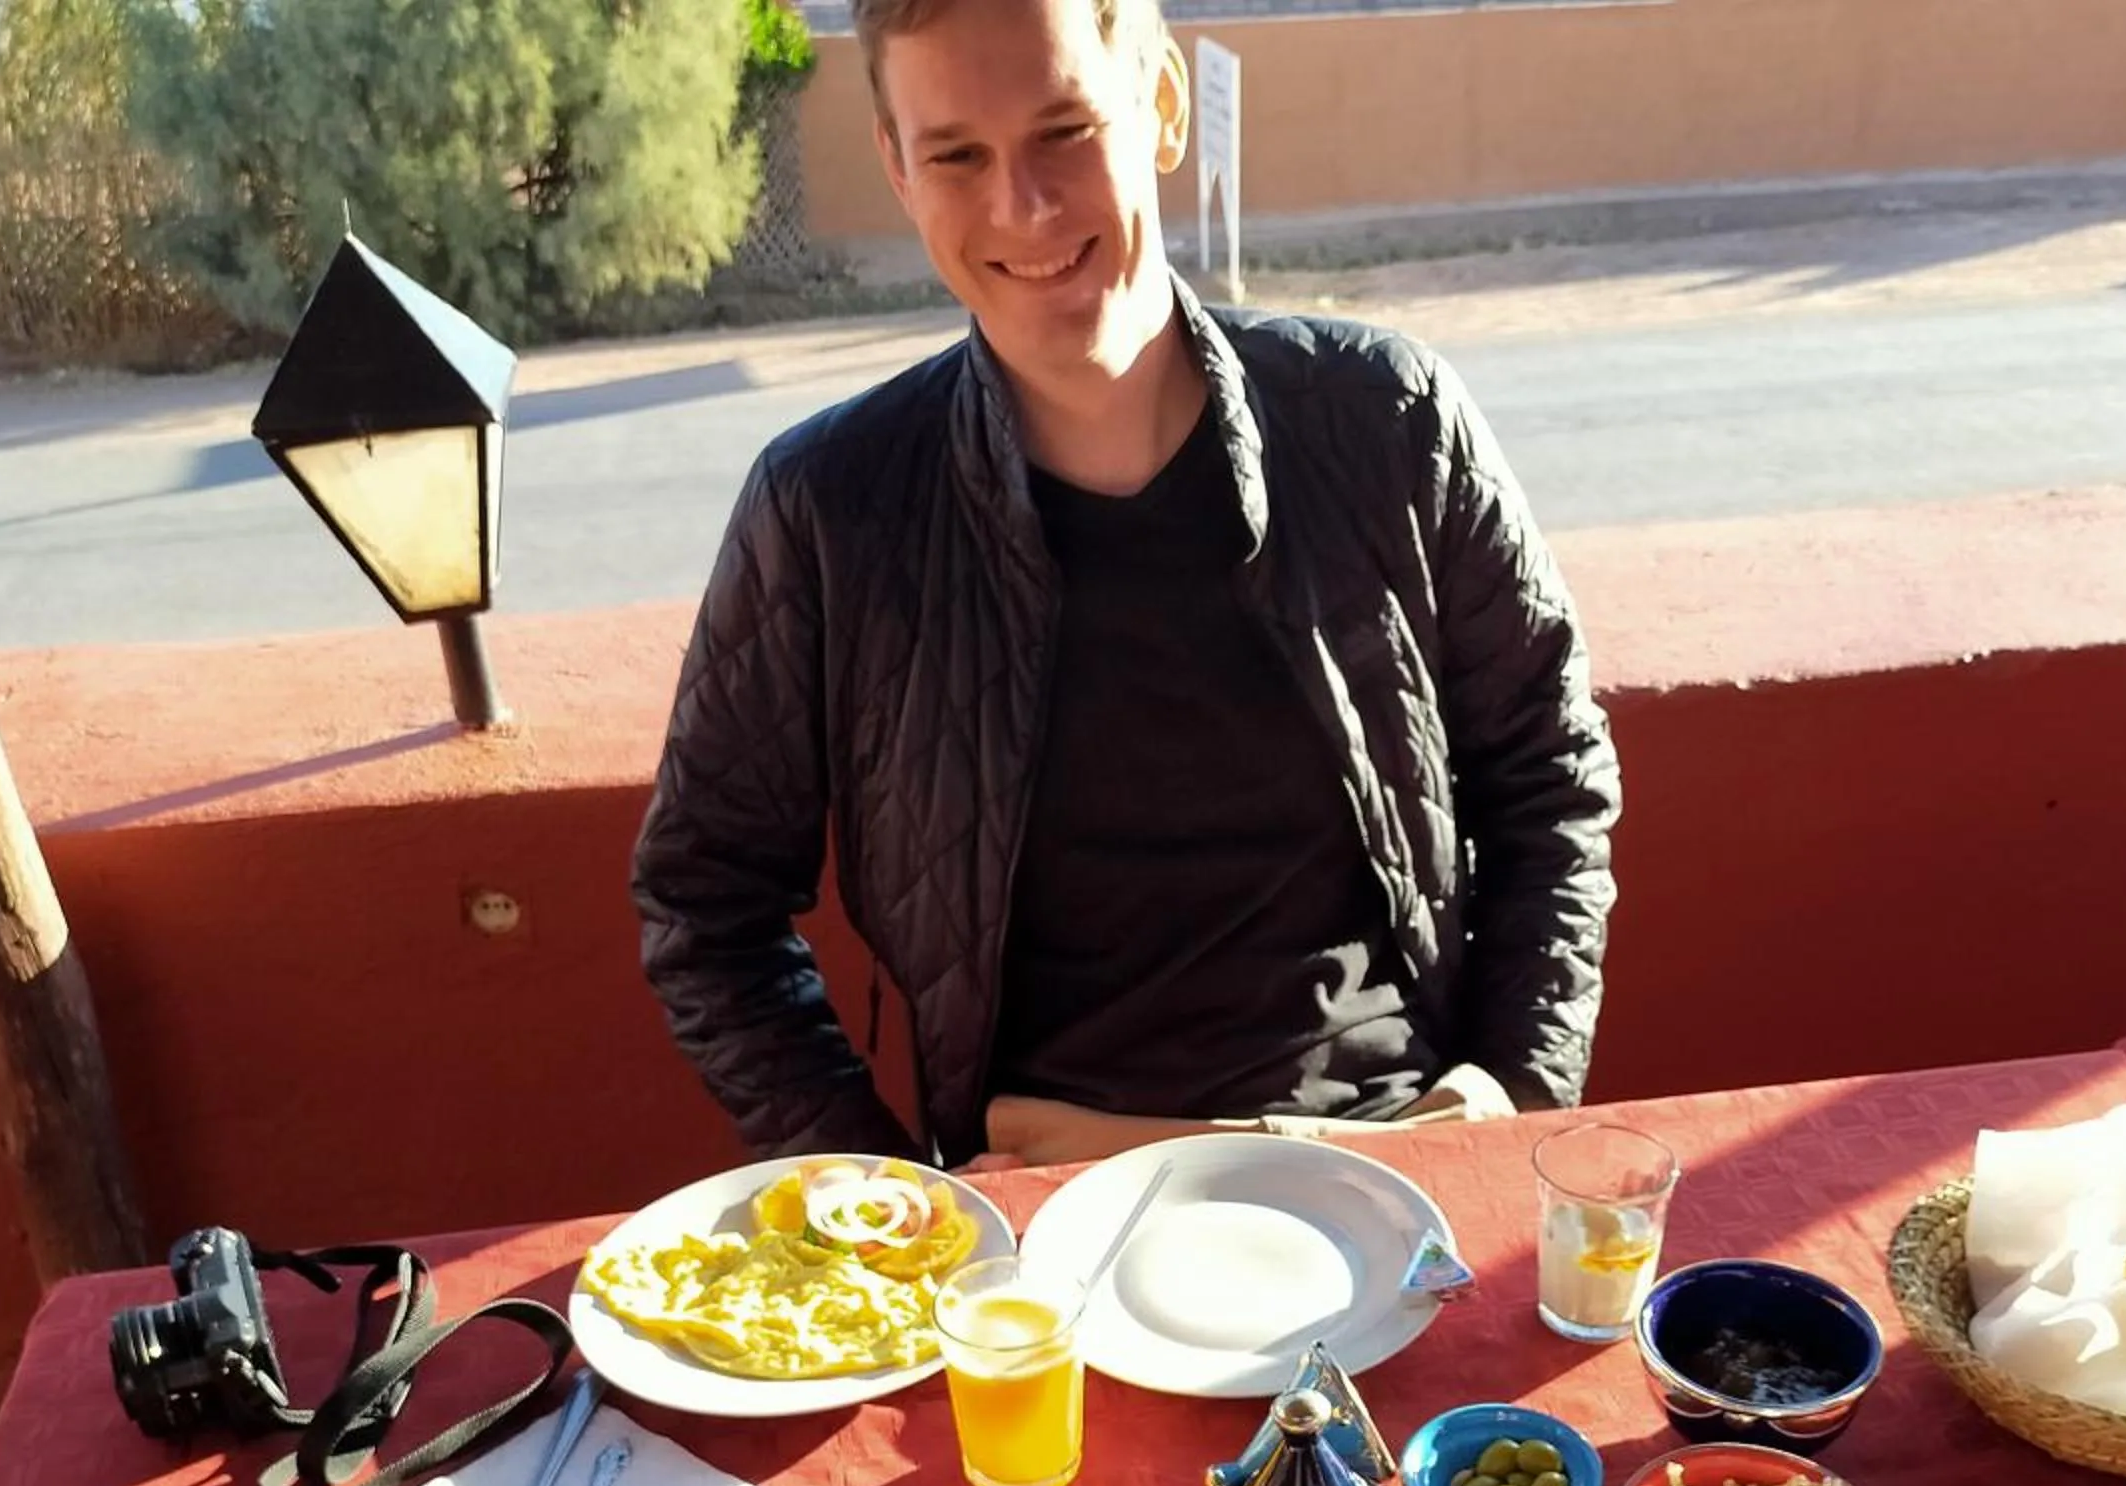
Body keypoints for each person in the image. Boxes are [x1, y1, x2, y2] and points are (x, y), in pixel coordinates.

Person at [630, 0, 1620, 1168]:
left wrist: (1511, 1092)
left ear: (1159, 106)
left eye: (1064, 130)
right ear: (897, 167)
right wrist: (894, 1193)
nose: (1023, 208)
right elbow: (704, 902)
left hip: (1395, 1158)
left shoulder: (1389, 419)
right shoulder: (828, 509)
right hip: (1053, 1196)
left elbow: (1549, 776)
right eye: (957, 154)